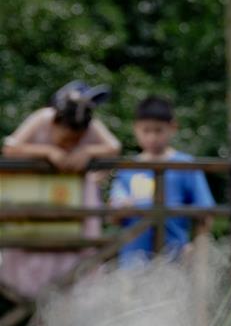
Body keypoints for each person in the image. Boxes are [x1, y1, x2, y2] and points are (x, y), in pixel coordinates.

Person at [0, 81, 121, 298]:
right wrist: (46, 151)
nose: (69, 145)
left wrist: (89, 150)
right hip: (37, 202)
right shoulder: (43, 118)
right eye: (66, 139)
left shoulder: (87, 122)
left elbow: (113, 147)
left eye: (76, 140)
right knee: (35, 252)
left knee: (73, 256)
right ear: (55, 122)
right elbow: (11, 147)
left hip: (71, 203)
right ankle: (32, 309)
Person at [109, 96, 215, 267]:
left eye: (158, 130)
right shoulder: (127, 168)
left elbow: (205, 213)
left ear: (172, 127)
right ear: (135, 129)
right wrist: (121, 208)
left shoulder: (186, 165)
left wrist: (197, 249)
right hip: (132, 262)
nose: (152, 138)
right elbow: (113, 216)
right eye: (146, 131)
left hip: (174, 259)